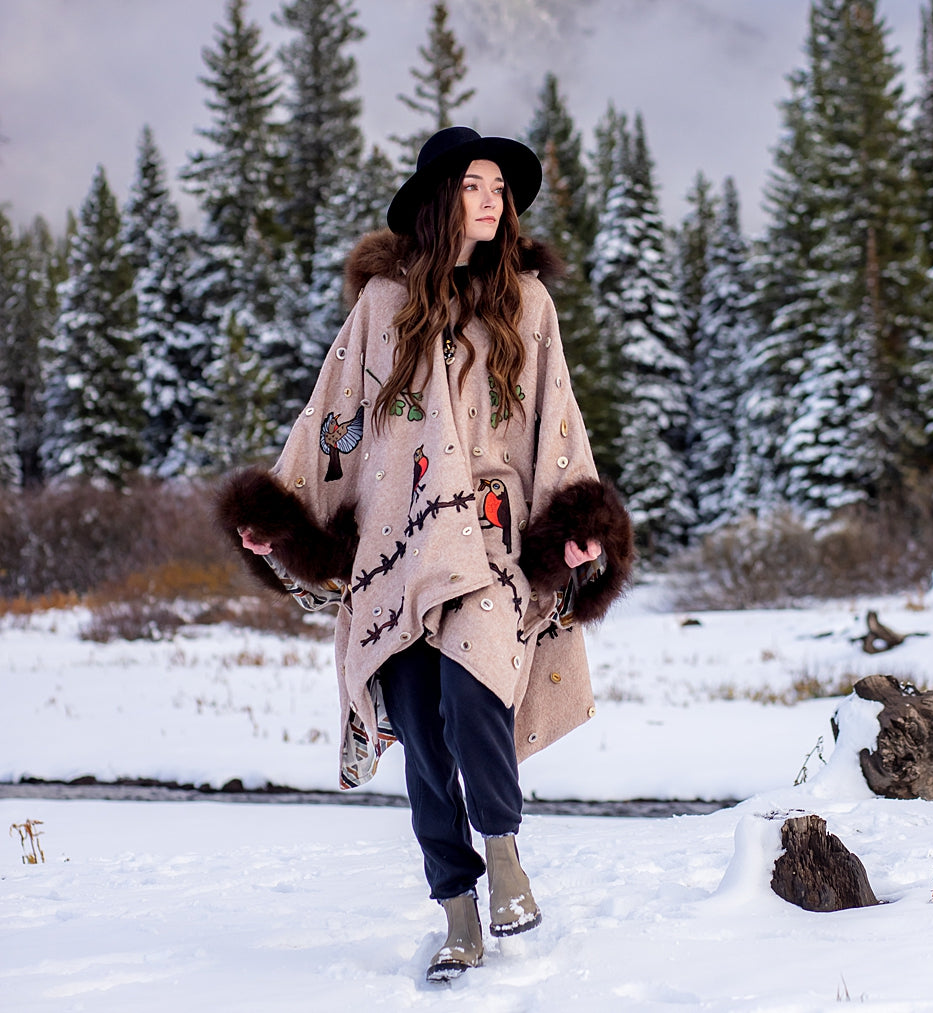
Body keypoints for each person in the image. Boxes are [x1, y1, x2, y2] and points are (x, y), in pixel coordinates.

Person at [215, 126, 634, 983]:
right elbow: (329, 423)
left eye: (499, 188)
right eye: (474, 184)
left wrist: (577, 527)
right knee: (417, 725)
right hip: (393, 549)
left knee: (473, 688)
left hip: (489, 542)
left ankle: (505, 854)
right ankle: (456, 910)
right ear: (439, 199)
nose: (491, 199)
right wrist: (282, 527)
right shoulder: (380, 304)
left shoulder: (528, 304)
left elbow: (558, 423)